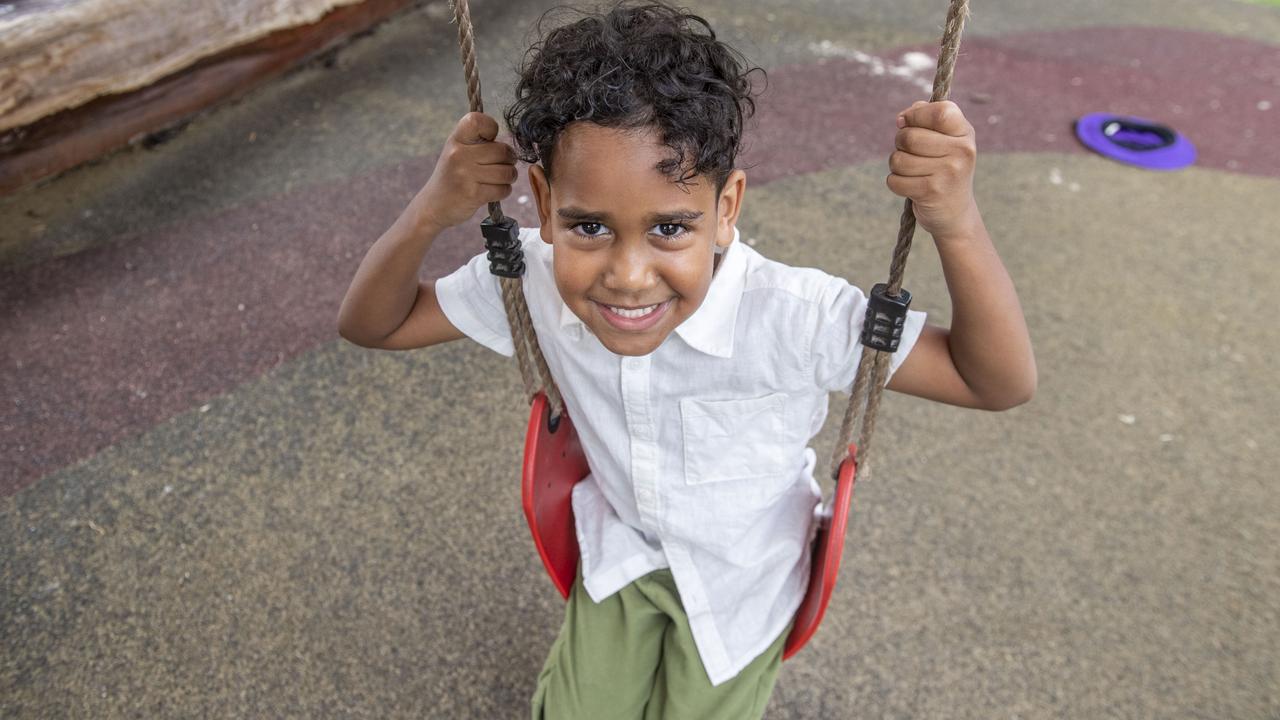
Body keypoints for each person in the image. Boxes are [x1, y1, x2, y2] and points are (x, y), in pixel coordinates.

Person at [337, 2, 1036, 718]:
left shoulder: (793, 318)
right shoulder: (536, 280)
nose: (629, 275)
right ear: (543, 204)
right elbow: (373, 324)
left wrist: (957, 223)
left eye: (670, 227)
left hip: (744, 583)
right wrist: (431, 208)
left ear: (727, 206)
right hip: (622, 559)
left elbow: (997, 381)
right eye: (589, 226)